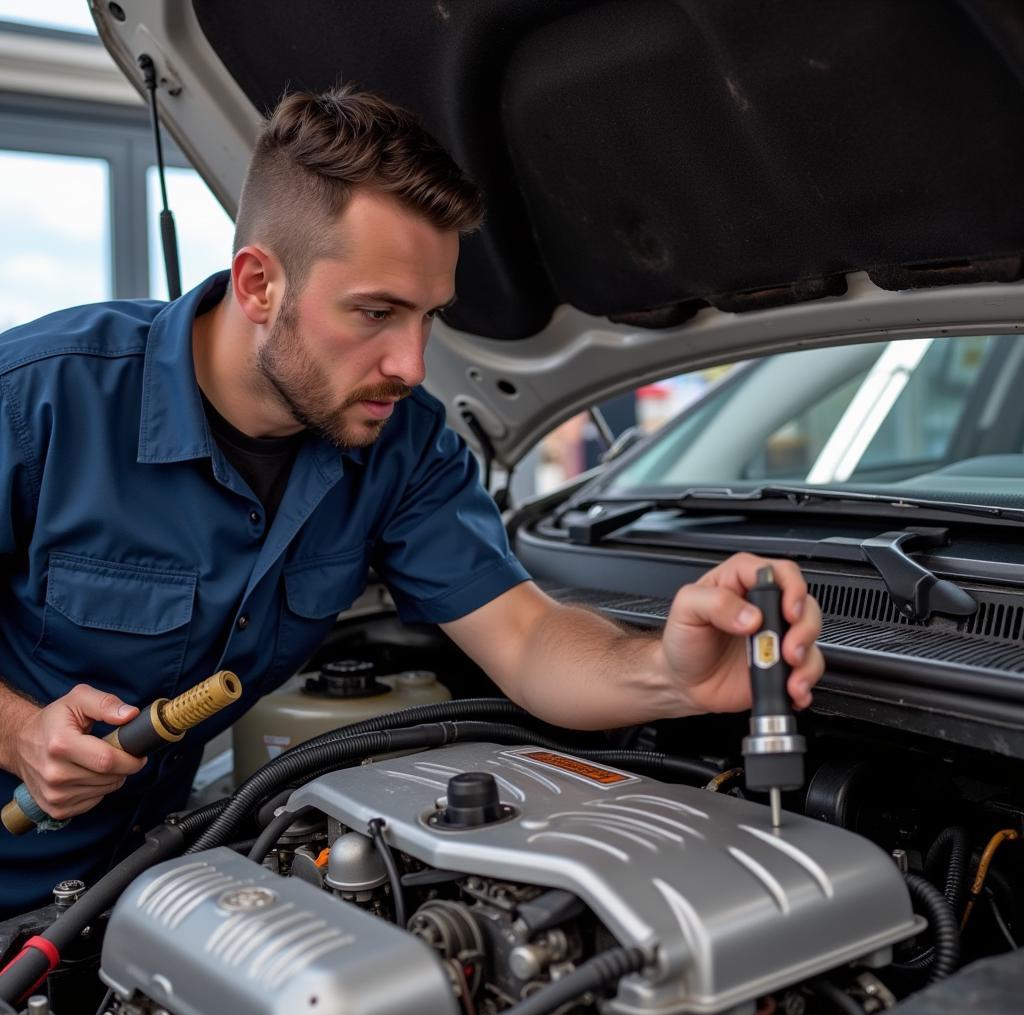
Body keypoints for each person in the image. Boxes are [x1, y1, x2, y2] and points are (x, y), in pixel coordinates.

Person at [0, 86, 823, 914]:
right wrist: (22, 733)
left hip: (141, 885)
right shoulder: (41, 400)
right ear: (258, 285)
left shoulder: (404, 445)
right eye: (376, 312)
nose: (411, 363)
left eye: (429, 317)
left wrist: (668, 673)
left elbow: (528, 636)